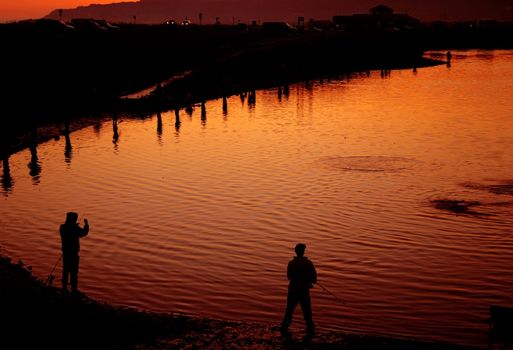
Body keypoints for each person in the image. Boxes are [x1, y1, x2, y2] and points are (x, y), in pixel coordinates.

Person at [280, 243, 317, 334]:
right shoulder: (308, 263)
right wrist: (308, 281)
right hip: (303, 291)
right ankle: (310, 328)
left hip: (292, 290)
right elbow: (314, 279)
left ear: (295, 251)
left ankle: (284, 327)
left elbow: (289, 276)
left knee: (289, 310)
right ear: (303, 252)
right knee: (307, 311)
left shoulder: (291, 263)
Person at [60, 212, 89, 294]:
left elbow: (69, 231)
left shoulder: (62, 227)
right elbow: (84, 233)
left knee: (65, 271)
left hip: (65, 253)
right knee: (74, 272)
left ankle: (64, 288)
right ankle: (73, 290)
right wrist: (86, 224)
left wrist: (74, 227)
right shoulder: (75, 229)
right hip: (73, 254)